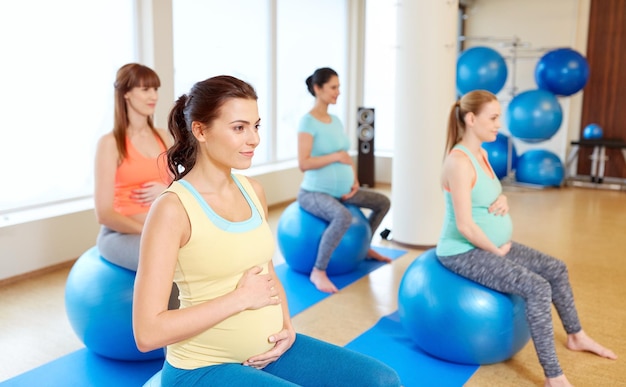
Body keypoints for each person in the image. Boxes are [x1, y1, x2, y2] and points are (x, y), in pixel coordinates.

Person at [132, 75, 401, 387]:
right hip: (201, 368)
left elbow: (267, 273)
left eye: (256, 126)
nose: (254, 139)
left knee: (382, 380)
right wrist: (240, 299)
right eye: (239, 127)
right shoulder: (172, 209)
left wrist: (287, 326)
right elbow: (147, 333)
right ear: (200, 130)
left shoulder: (253, 191)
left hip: (271, 350)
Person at [436, 89, 617, 387]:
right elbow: (466, 226)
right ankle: (554, 377)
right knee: (536, 287)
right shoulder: (459, 162)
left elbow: (487, 194)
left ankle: (576, 335)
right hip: (463, 251)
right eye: (493, 118)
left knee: (556, 268)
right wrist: (497, 251)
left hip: (490, 245)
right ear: (471, 119)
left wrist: (503, 198)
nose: (498, 125)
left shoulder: (481, 153)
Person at [297, 67, 392, 293]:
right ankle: (318, 271)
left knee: (383, 202)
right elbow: (304, 163)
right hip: (314, 193)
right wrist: (336, 157)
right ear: (318, 89)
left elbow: (346, 157)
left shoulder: (336, 120)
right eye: (333, 87)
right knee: (342, 216)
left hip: (344, 191)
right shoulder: (307, 122)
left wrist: (355, 180)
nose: (338, 92)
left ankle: (364, 246)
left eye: (339, 87)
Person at [94, 63, 173, 271]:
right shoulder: (110, 143)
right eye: (145, 89)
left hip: (164, 227)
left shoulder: (163, 137)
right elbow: (104, 213)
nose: (153, 96)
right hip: (121, 234)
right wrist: (147, 231)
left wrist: (166, 190)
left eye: (155, 89)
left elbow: (183, 188)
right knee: (167, 260)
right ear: (126, 93)